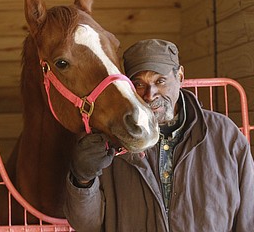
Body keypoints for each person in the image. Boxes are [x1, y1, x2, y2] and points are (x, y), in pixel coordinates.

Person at [63, 39, 254, 231]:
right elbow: (87, 225)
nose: (150, 95)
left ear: (180, 76)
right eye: (138, 84)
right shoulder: (112, 140)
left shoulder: (225, 136)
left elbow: (248, 217)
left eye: (160, 81)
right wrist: (83, 180)